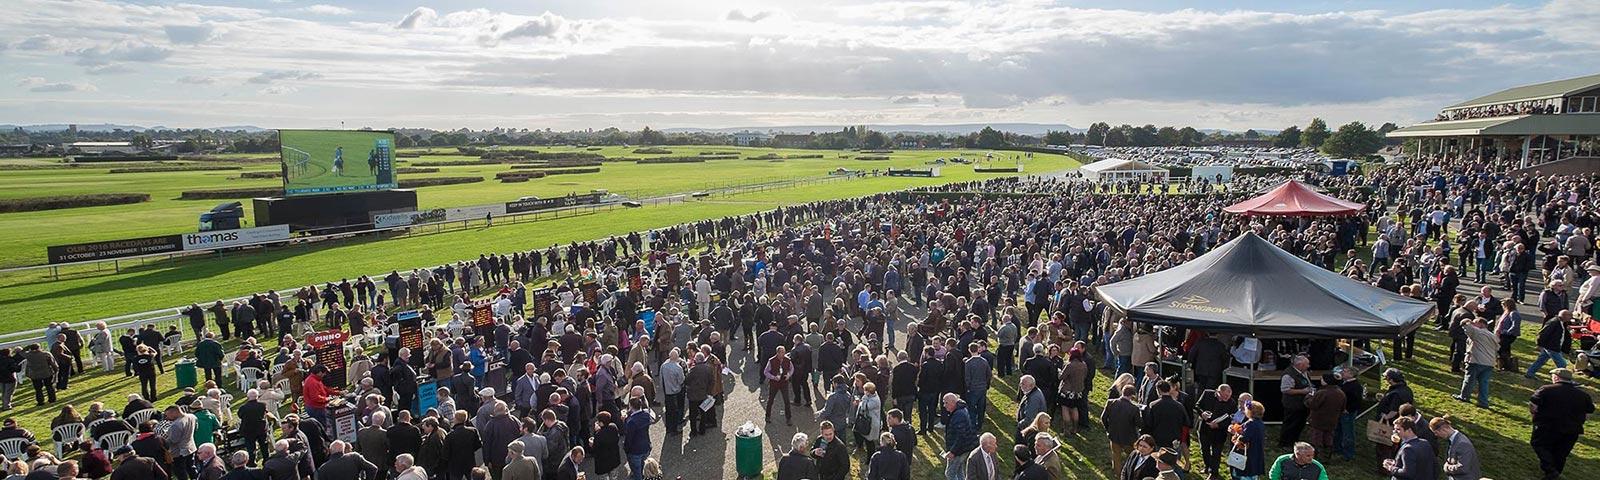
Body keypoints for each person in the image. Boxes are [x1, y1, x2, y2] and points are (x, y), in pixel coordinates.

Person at [1529, 368, 1595, 479]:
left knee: (1539, 444)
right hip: (1572, 429)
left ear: (1556, 377)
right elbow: (1590, 410)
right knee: (1561, 452)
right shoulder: (1583, 395)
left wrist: (1535, 418)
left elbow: (1533, 405)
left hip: (1547, 425)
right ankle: (1555, 472)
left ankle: (1550, 469)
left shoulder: (1546, 389)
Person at [1456, 314, 1498, 407]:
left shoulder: (1477, 332)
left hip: (1476, 360)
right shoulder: (1492, 335)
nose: (1473, 325)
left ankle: (1464, 396)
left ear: (1482, 324)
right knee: (1484, 383)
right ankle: (1483, 402)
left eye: (1475, 323)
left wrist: (1467, 320)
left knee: (1469, 380)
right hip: (1489, 362)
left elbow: (1465, 326)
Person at [1101, 385, 1141, 471]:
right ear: (1132, 396)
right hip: (1129, 438)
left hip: (1114, 435)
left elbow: (1103, 418)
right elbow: (1139, 424)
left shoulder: (1110, 403)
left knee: (1116, 457)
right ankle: (1130, 473)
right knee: (1131, 456)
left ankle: (1118, 474)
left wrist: (1108, 429)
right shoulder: (1134, 409)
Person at [1525, 310, 1574, 378]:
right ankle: (1562, 379)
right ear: (1564, 316)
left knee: (1541, 360)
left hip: (1552, 346)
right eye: (1570, 316)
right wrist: (1539, 344)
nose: (1571, 318)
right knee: (1562, 364)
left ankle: (1530, 373)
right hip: (1551, 347)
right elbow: (1543, 333)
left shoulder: (1562, 323)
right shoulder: (1554, 322)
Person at [939, 393, 977, 480]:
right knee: (959, 471)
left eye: (946, 403)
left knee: (950, 474)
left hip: (959, 450)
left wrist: (953, 451)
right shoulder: (961, 410)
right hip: (965, 447)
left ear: (953, 402)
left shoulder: (958, 415)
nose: (944, 406)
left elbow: (961, 437)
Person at [1277, 355, 1312, 448]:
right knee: (1290, 424)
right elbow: (1285, 390)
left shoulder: (1304, 372)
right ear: (1299, 365)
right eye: (1306, 364)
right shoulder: (1288, 375)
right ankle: (1285, 443)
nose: (1308, 366)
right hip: (1292, 404)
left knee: (1299, 424)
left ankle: (1294, 441)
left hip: (1303, 404)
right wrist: (1303, 391)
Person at [1232, 402, 1266, 480]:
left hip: (1248, 453)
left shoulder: (1250, 423)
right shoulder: (1260, 423)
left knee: (1245, 474)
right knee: (1253, 474)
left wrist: (1237, 435)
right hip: (1257, 452)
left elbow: (1244, 438)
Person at [161, 407, 196, 480]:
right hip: (191, 447)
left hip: (179, 452)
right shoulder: (192, 416)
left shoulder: (176, 424)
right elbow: (196, 428)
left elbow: (173, 440)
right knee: (191, 468)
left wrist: (163, 440)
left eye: (168, 415)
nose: (167, 418)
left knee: (181, 472)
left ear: (174, 412)